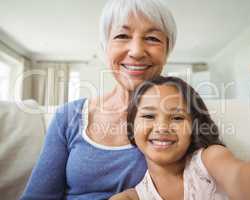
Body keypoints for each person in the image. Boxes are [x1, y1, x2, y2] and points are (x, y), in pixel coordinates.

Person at [20, 0, 177, 199]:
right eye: (122, 35)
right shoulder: (69, 117)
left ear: (167, 50)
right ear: (105, 47)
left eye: (152, 38)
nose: (136, 51)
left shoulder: (185, 114)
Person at [110, 76, 250, 200]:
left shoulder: (208, 160)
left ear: (194, 126)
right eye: (149, 116)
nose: (162, 127)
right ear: (131, 127)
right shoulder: (131, 197)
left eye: (177, 117)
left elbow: (238, 174)